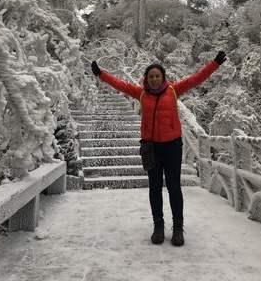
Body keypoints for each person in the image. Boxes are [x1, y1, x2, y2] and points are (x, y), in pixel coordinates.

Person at [91, 51, 227, 246]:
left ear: (163, 77)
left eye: (157, 76)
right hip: (152, 147)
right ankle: (158, 226)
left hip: (172, 146)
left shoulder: (173, 90)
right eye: (151, 76)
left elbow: (196, 79)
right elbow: (119, 84)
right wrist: (101, 74)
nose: (154, 79)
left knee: (173, 187)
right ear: (146, 79)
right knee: (155, 188)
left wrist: (214, 64)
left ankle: (178, 228)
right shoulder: (141, 93)